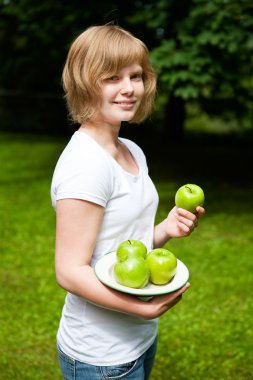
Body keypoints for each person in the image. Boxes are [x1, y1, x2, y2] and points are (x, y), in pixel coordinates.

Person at [50, 24, 205, 380]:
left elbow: (121, 247)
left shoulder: (131, 150)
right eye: (111, 77)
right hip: (100, 355)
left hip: (136, 341)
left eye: (135, 76)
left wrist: (165, 229)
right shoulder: (86, 165)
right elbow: (69, 271)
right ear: (84, 82)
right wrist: (142, 309)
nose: (129, 89)